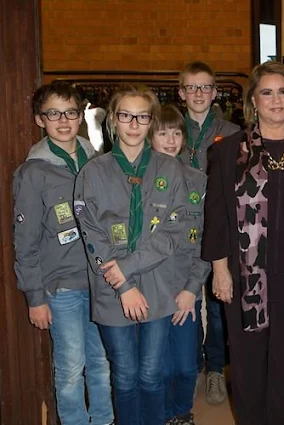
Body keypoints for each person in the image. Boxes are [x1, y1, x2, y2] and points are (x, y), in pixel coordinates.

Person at [201, 61, 284, 425]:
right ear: (253, 100)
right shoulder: (228, 151)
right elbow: (217, 216)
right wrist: (219, 271)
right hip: (244, 276)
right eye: (266, 92)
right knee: (248, 363)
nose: (276, 100)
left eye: (283, 91)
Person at [75, 85, 188, 425]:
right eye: (126, 115)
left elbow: (173, 229)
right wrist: (123, 284)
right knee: (124, 376)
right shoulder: (93, 173)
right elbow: (90, 232)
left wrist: (130, 268)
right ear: (113, 120)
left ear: (151, 121)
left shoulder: (170, 170)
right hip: (111, 286)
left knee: (151, 374)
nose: (134, 124)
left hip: (157, 285)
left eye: (143, 116)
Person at [13, 82, 113, 425]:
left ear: (80, 116)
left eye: (70, 112)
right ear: (41, 120)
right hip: (61, 288)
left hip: (100, 282)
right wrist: (34, 296)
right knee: (71, 367)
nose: (63, 120)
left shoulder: (97, 161)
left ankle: (103, 420)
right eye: (53, 114)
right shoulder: (33, 171)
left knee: (101, 362)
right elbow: (24, 240)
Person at [178, 61, 239, 404]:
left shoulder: (232, 131)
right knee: (187, 298)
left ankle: (216, 368)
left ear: (215, 92)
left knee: (217, 304)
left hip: (218, 229)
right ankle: (191, 364)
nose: (198, 93)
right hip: (180, 231)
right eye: (191, 87)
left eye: (205, 87)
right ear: (181, 92)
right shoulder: (168, 128)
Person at [150, 104, 211, 425]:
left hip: (188, 287)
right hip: (151, 290)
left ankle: (181, 412)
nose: (171, 140)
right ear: (150, 138)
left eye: (176, 132)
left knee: (187, 365)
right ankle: (161, 415)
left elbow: (206, 239)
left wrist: (191, 289)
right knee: (158, 365)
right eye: (162, 133)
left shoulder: (198, 180)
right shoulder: (140, 180)